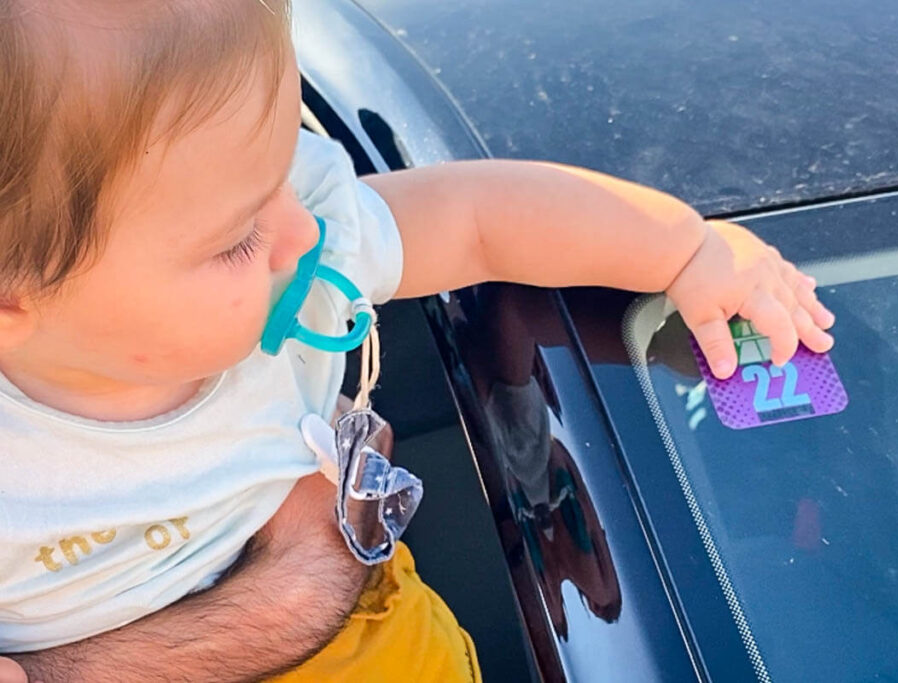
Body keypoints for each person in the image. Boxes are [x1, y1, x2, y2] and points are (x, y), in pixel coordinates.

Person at [0, 0, 835, 680]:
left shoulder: (297, 257)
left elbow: (475, 220)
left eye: (284, 176)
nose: (303, 233)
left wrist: (685, 248)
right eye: (235, 237)